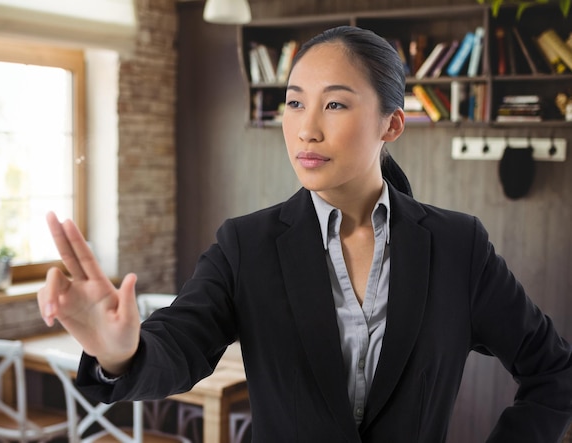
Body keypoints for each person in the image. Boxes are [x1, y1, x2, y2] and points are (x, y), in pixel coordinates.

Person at [37, 26, 572, 442]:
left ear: (391, 124)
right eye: (294, 102)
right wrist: (121, 354)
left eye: (334, 103)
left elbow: (554, 372)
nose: (306, 128)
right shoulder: (246, 245)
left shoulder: (459, 247)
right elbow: (179, 345)